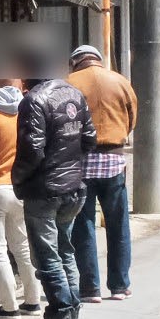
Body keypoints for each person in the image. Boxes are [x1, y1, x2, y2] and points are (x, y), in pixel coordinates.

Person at [13, 37, 95, 319]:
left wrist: (17, 178)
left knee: (48, 259)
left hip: (45, 190)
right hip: (74, 188)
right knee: (65, 252)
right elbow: (89, 139)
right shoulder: (74, 93)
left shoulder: (34, 100)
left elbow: (32, 150)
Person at [66, 44, 137, 303]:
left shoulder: (68, 83)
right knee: (118, 225)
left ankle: (90, 289)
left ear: (75, 62)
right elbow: (132, 118)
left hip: (80, 161)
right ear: (98, 59)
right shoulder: (120, 81)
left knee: (83, 225)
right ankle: (119, 286)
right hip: (113, 160)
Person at [0, 63, 39, 319]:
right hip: (20, 187)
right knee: (22, 247)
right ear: (20, 85)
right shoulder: (27, 112)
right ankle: (32, 300)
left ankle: (9, 306)